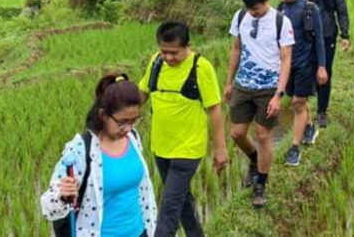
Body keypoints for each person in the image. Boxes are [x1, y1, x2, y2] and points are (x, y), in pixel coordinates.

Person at [138, 21, 228, 237]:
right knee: (180, 198)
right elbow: (142, 93)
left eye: (174, 53)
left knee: (168, 208)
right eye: (164, 51)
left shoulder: (200, 67)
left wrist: (221, 149)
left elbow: (214, 110)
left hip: (188, 149)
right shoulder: (156, 62)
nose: (168, 57)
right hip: (160, 146)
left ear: (188, 46)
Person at [41, 74, 157, 237]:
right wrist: (62, 196)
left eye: (134, 121)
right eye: (122, 122)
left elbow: (142, 192)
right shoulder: (81, 149)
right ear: (103, 115)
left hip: (140, 232)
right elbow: (48, 207)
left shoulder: (133, 138)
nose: (128, 128)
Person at [225, 0, 294, 208]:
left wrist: (278, 94)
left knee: (263, 136)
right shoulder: (240, 17)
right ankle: (255, 160)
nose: (252, 13)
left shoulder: (280, 22)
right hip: (243, 86)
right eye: (249, 9)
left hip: (268, 88)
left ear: (265, 1)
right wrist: (229, 82)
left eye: (256, 9)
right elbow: (236, 49)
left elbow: (286, 60)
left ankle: (260, 184)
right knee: (236, 133)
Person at [275, 0, 327, 166]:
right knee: (298, 102)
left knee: (297, 103)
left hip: (306, 63)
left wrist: (322, 66)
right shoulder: (278, 11)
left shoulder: (309, 9)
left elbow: (319, 38)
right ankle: (310, 126)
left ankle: (294, 148)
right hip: (288, 66)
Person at [298, 0, 350, 128]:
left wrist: (345, 35)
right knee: (306, 73)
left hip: (327, 38)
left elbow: (342, 12)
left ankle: (321, 111)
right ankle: (304, 114)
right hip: (308, 39)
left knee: (324, 74)